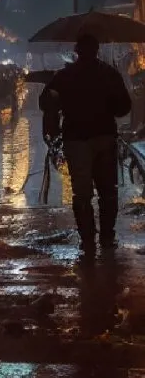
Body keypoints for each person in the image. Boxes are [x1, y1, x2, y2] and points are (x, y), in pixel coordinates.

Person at [39, 32, 131, 252]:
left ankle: (87, 239)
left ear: (77, 52)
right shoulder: (110, 74)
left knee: (82, 194)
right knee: (108, 191)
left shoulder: (65, 76)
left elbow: (45, 103)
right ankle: (107, 237)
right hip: (105, 138)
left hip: (76, 141)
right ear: (97, 50)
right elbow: (123, 108)